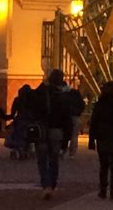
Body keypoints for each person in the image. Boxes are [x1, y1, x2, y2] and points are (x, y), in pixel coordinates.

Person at [29, 69, 72, 200]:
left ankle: (45, 184)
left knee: (42, 160)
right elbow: (67, 119)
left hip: (41, 129)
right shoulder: (63, 97)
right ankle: (52, 185)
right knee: (54, 159)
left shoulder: (40, 93)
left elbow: (32, 109)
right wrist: (66, 140)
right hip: (57, 130)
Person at [88, 81, 113, 200]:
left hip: (103, 138)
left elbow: (93, 123)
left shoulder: (100, 105)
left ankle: (103, 190)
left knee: (104, 166)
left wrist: (91, 140)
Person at [61, 81, 85, 158]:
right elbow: (82, 104)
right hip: (76, 116)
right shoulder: (76, 93)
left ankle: (63, 150)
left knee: (65, 134)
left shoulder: (63, 95)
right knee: (74, 135)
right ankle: (72, 153)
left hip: (66, 116)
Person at [9, 84, 34, 159]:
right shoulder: (32, 100)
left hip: (20, 119)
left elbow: (13, 112)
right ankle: (27, 149)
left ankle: (20, 148)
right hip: (31, 120)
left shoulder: (17, 99)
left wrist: (11, 117)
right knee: (30, 136)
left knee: (19, 135)